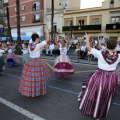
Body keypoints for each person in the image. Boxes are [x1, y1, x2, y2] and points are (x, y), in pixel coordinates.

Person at [78, 33, 120, 120]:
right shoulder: (118, 56)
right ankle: (100, 113)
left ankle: (93, 110)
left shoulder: (100, 53)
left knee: (94, 94)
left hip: (99, 76)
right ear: (116, 47)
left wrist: (87, 38)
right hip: (112, 78)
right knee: (106, 96)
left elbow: (89, 48)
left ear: (106, 45)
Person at [19, 28, 50, 97]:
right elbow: (47, 40)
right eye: (38, 38)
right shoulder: (38, 45)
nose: (39, 39)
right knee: (38, 78)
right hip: (37, 62)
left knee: (30, 78)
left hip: (30, 62)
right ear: (37, 38)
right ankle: (37, 91)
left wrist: (34, 34)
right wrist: (47, 32)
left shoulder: (30, 44)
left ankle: (31, 91)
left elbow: (32, 39)